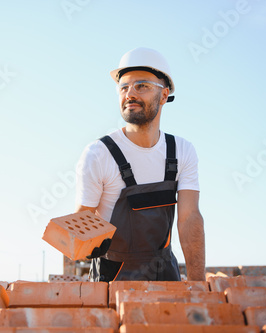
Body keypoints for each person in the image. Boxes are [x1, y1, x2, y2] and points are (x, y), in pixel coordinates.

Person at [75, 47, 205, 282]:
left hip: (165, 275)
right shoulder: (99, 153)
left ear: (164, 95)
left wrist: (198, 286)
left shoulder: (182, 151)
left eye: (141, 86)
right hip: (112, 282)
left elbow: (189, 218)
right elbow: (82, 221)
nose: (130, 94)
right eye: (124, 87)